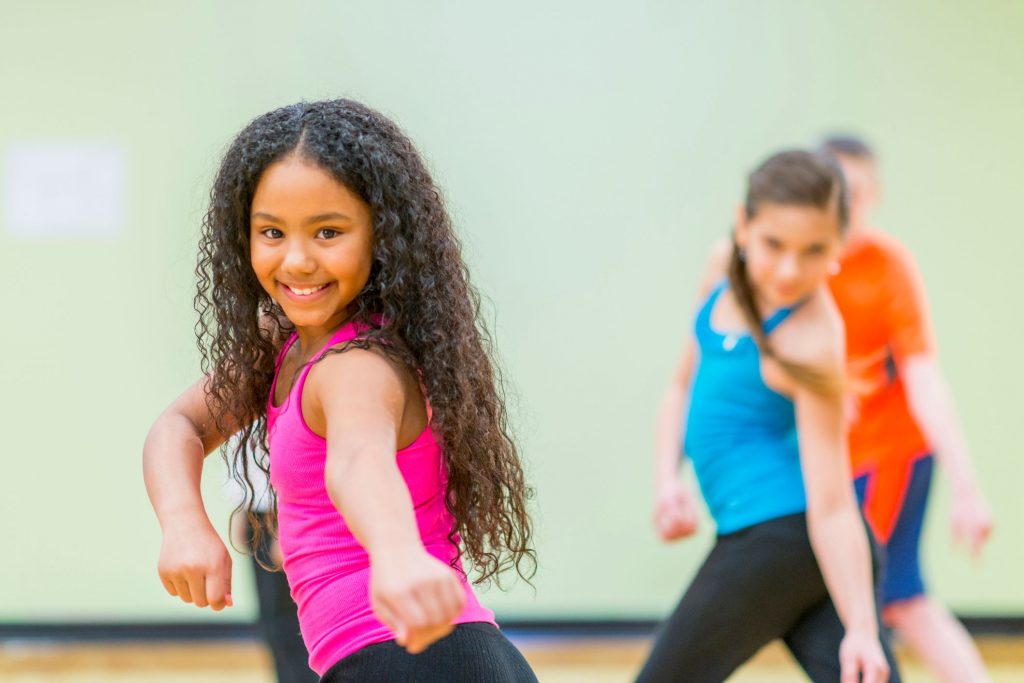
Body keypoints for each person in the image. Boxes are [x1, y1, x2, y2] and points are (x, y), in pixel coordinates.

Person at [143, 98, 538, 682]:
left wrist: (398, 554)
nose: (298, 260)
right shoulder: (282, 340)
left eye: (328, 232)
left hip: (418, 658)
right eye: (271, 232)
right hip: (410, 658)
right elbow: (180, 425)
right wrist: (183, 521)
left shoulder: (358, 365)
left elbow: (358, 460)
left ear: (382, 235)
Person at [642, 149, 898, 682]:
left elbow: (831, 504)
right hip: (783, 545)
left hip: (782, 538)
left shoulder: (812, 336)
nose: (788, 269)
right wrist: (668, 480)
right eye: (774, 244)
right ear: (743, 225)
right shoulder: (721, 269)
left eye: (814, 250)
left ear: (840, 245)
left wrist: (864, 627)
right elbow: (680, 386)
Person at [822, 134, 994, 683]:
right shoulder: (800, 269)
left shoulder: (888, 266)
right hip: (831, 463)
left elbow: (923, 377)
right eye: (834, 193)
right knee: (848, 600)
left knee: (897, 597)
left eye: (857, 194)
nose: (846, 208)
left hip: (890, 455)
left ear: (875, 195)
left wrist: (967, 490)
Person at [224, 440, 317, 683]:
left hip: (283, 512)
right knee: (275, 625)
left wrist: (282, 520)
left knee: (293, 627)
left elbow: (283, 437)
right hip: (260, 510)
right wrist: (242, 506)